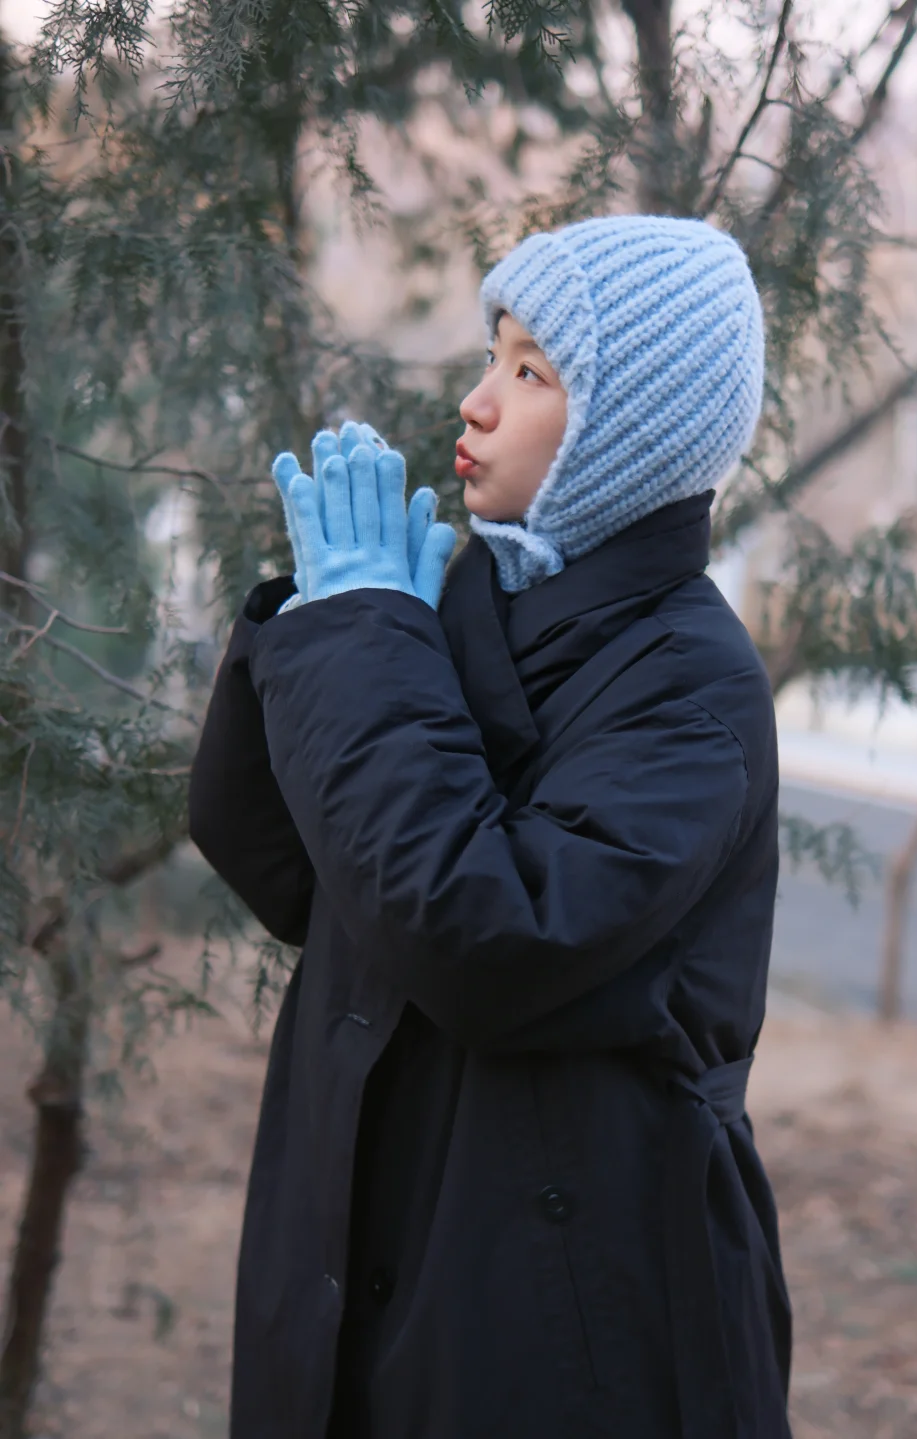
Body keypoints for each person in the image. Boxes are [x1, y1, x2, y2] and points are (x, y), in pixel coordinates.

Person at [189, 214, 792, 1439]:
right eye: (492, 355)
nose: (476, 402)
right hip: (355, 1248)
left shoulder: (691, 690)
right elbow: (278, 860)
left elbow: (485, 936)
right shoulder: (463, 603)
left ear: (628, 431)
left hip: (571, 1316)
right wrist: (324, 624)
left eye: (532, 372)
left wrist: (367, 644)